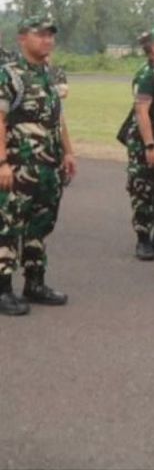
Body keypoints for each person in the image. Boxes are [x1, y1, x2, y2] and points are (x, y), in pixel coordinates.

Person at [0, 16, 78, 315]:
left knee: (40, 225)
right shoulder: (9, 75)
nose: (47, 40)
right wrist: (2, 162)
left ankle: (34, 282)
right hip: (18, 167)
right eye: (40, 35)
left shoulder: (49, 74)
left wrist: (69, 153)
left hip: (48, 166)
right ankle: (3, 288)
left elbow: (57, 117)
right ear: (22, 38)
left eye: (50, 35)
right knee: (8, 225)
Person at [119, 27, 154, 260]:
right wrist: (150, 145)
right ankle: (143, 239)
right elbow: (142, 111)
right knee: (143, 188)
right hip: (146, 140)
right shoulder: (146, 74)